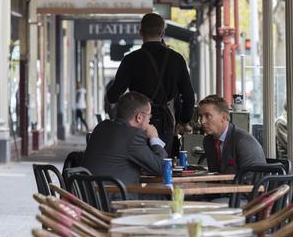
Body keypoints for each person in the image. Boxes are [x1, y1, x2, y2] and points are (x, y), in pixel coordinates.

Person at [107, 13, 195, 156]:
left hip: (137, 122)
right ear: (163, 33)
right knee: (163, 165)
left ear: (140, 32)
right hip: (167, 123)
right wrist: (183, 121)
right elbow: (189, 97)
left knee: (137, 164)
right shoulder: (176, 59)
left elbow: (112, 96)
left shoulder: (130, 60)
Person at [81, 91, 167, 186]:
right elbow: (162, 168)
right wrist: (154, 137)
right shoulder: (133, 135)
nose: (149, 120)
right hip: (113, 197)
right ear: (139, 117)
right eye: (149, 116)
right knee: (167, 196)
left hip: (88, 195)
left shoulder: (101, 127)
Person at [198, 95, 266, 174]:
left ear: (223, 117)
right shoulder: (208, 141)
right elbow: (215, 174)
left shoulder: (243, 142)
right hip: (222, 185)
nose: (202, 121)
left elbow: (251, 180)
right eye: (200, 116)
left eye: (207, 116)